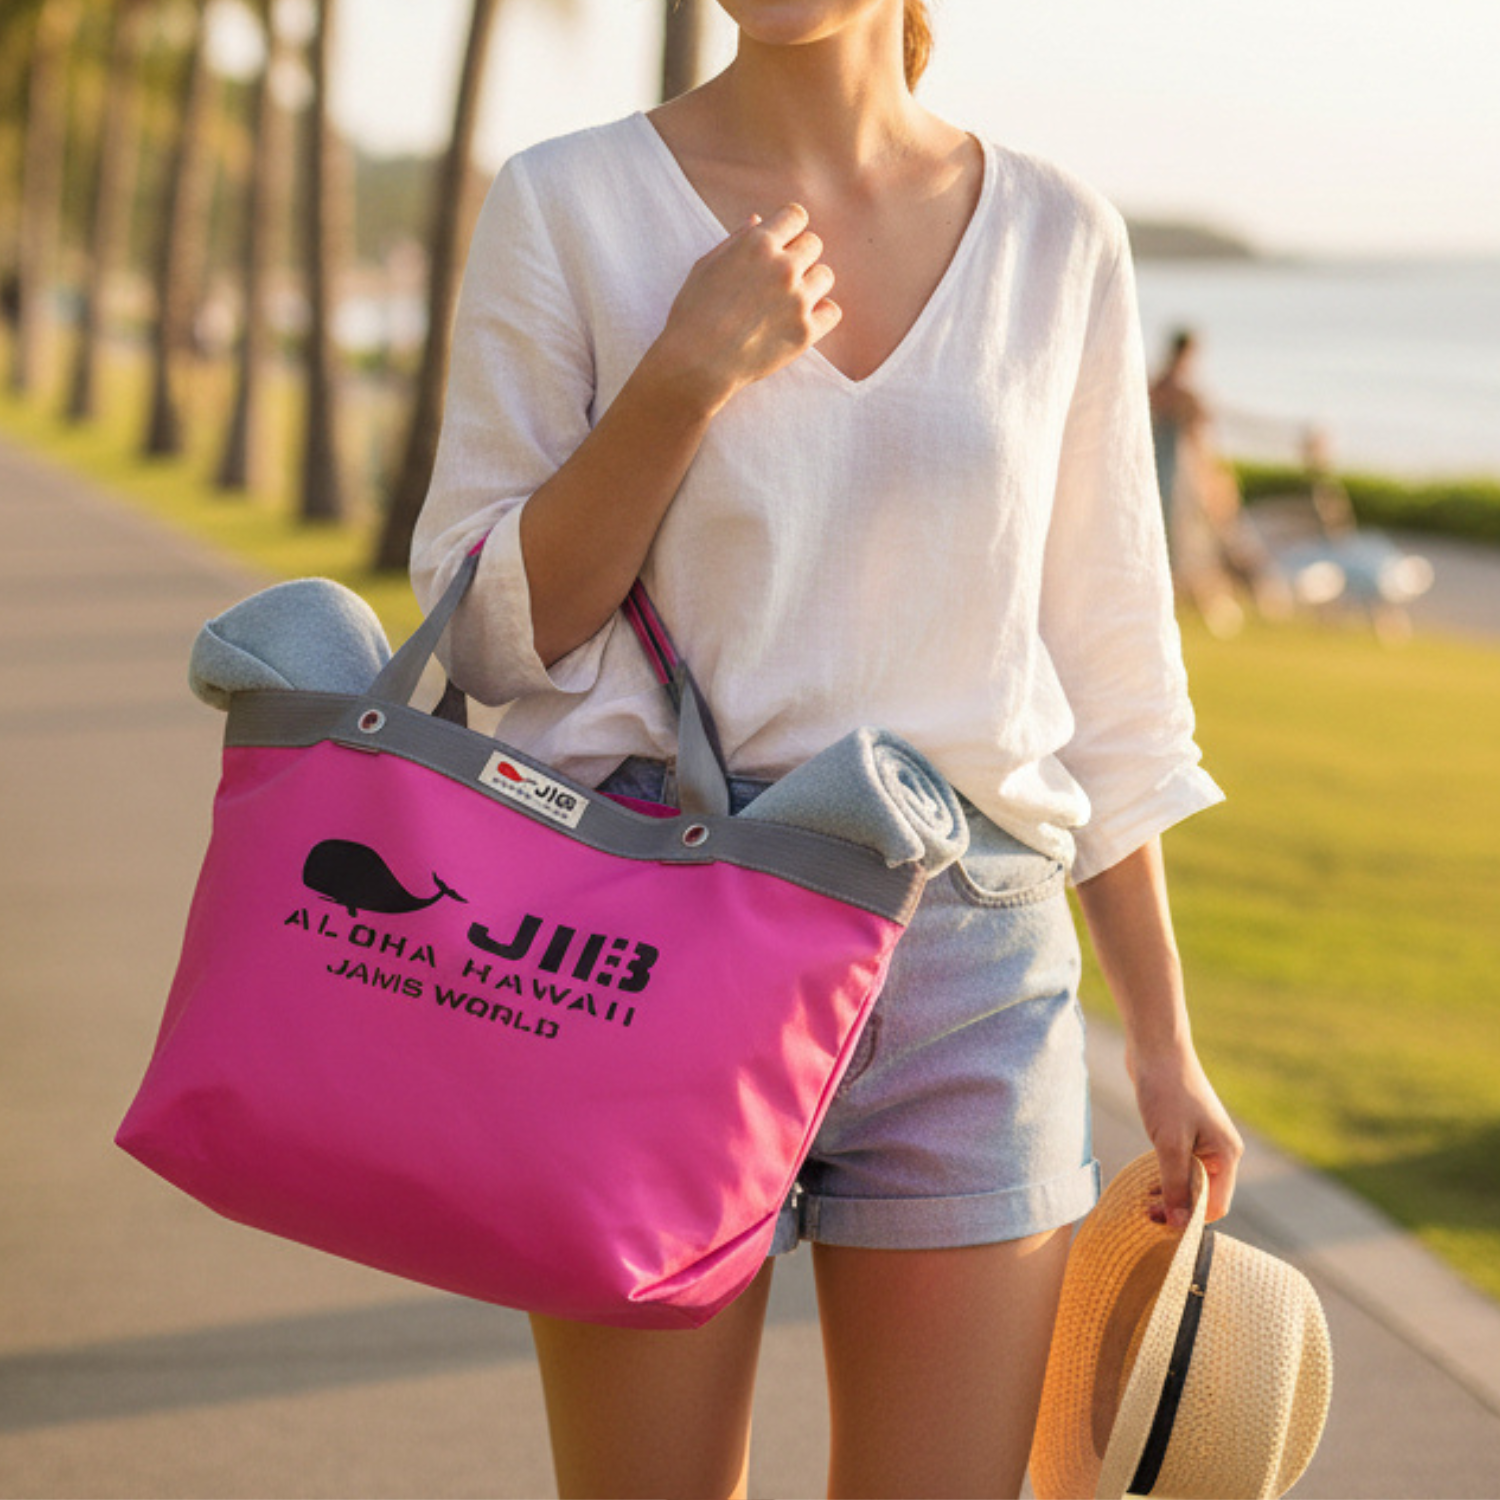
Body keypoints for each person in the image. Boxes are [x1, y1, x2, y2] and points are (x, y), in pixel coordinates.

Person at [411, 4, 1244, 1495]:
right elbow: (490, 641)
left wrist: (1165, 1044)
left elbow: (1109, 684)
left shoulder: (1058, 238)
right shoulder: (570, 201)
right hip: (638, 942)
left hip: (967, 970)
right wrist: (682, 376)